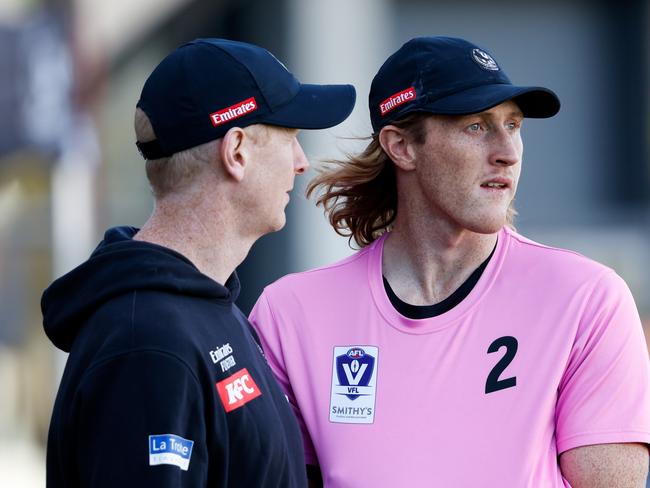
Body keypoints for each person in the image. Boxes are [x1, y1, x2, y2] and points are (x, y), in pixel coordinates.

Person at [249, 36, 650, 487]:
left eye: (513, 125)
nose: (508, 152)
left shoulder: (588, 299)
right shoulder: (290, 312)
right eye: (476, 126)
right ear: (401, 147)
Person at [41, 38, 355, 487]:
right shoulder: (146, 343)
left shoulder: (205, 308)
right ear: (237, 151)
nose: (302, 163)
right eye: (291, 137)